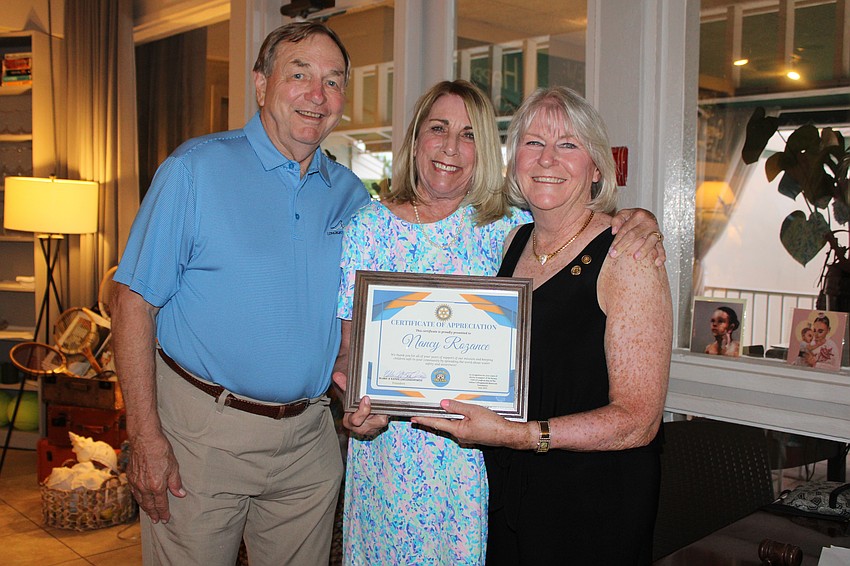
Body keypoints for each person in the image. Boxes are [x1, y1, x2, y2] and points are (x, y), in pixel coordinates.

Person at [333, 80, 666, 565]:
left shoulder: (499, 230)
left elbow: (638, 414)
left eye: (468, 134)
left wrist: (642, 220)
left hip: (482, 472)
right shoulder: (510, 239)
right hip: (403, 468)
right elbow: (350, 355)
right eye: (534, 142)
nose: (450, 147)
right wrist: (355, 409)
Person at [111, 22, 370, 565]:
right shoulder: (194, 170)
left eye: (333, 81)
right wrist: (145, 436)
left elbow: (351, 317)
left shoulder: (351, 195)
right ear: (260, 83)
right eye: (299, 74)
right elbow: (132, 304)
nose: (317, 95)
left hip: (309, 441)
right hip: (202, 435)